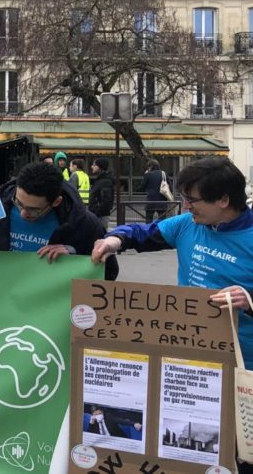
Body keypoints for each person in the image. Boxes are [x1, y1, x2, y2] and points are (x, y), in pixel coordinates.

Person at [92, 159, 253, 413]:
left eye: (192, 200)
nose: (186, 206)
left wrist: (249, 300)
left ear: (223, 200)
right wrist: (116, 238)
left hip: (244, 365)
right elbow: (143, 233)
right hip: (189, 356)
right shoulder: (188, 224)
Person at [88, 158, 115, 228]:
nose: (92, 166)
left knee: (99, 237)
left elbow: (106, 201)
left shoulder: (105, 182)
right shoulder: (100, 180)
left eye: (94, 165)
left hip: (100, 217)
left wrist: (96, 213)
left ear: (100, 167)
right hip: (96, 215)